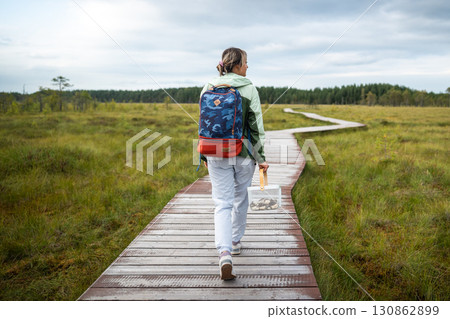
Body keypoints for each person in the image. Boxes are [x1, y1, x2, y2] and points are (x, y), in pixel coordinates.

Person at [200, 47, 269, 280]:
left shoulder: (208, 86)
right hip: (243, 153)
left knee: (222, 203)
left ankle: (225, 252)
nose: (248, 67)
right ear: (237, 65)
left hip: (215, 152)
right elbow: (256, 127)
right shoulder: (249, 88)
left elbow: (203, 125)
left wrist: (203, 156)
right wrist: (261, 159)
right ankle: (236, 241)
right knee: (240, 199)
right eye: (247, 62)